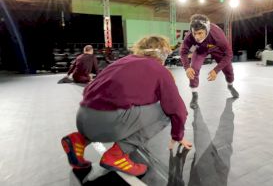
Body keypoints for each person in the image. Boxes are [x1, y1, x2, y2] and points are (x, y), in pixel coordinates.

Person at [61, 36, 192, 176]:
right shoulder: (160, 70)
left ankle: (79, 140)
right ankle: (117, 154)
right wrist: (177, 135)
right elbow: (177, 109)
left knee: (116, 103)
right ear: (163, 53)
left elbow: (89, 90)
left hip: (82, 118)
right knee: (165, 112)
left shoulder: (121, 61)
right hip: (106, 124)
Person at [180, 14, 239, 109]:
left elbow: (229, 54)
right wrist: (187, 67)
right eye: (195, 33)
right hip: (201, 50)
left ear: (207, 30)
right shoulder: (189, 35)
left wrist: (216, 70)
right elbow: (183, 52)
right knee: (193, 69)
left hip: (216, 49)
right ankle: (194, 95)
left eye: (200, 33)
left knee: (229, 70)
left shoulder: (218, 35)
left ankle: (230, 86)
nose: (197, 37)